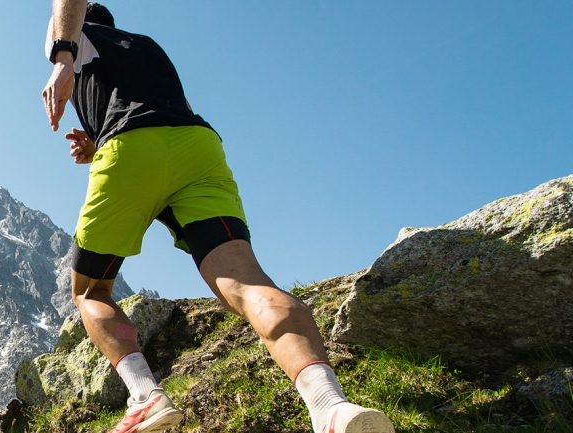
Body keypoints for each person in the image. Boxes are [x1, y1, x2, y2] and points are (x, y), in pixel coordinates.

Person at [39, 2, 395, 433]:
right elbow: (163, 111)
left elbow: (66, 6)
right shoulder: (146, 45)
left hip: (131, 151)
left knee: (91, 291)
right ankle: (331, 406)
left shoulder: (74, 40)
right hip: (198, 147)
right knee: (247, 282)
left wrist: (61, 58)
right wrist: (97, 146)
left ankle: (146, 396)